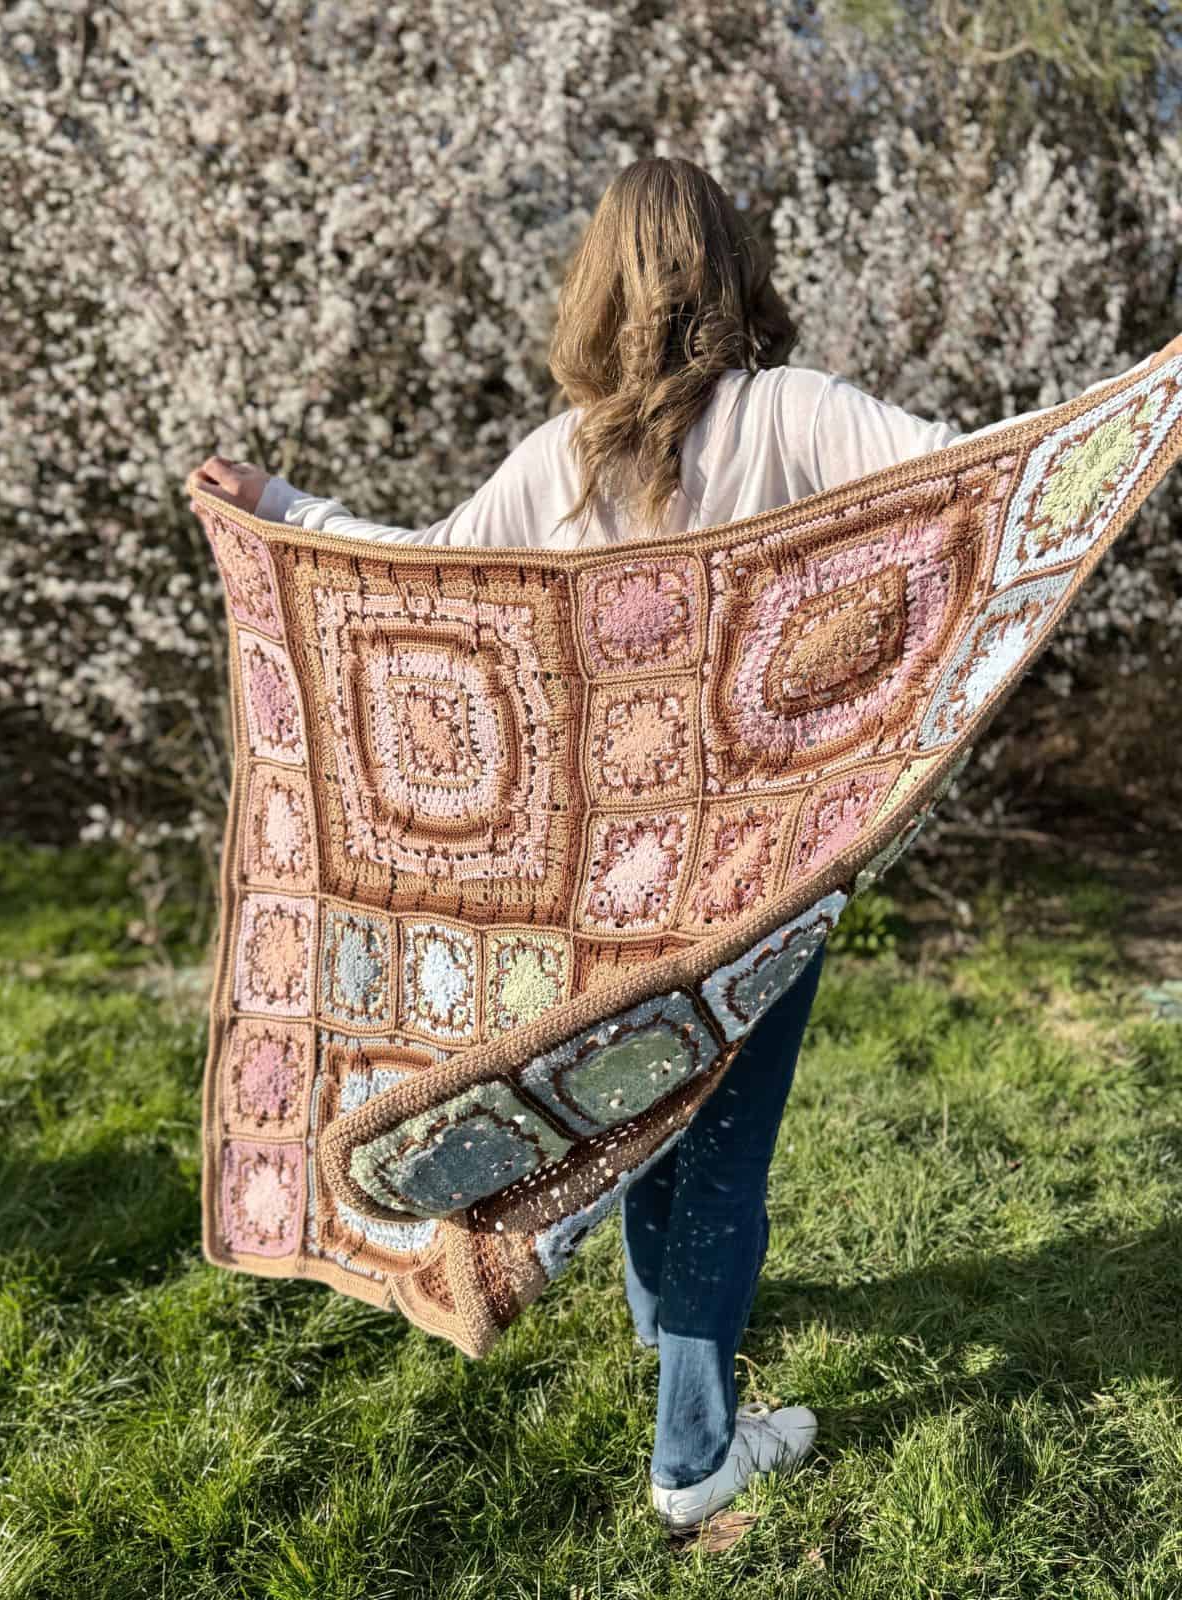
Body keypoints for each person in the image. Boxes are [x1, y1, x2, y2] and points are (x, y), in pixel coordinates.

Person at [194, 156, 1168, 1533]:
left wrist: (293, 514)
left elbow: (421, 577)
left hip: (612, 892)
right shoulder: (794, 414)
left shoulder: (567, 455)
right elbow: (975, 490)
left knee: (645, 1099)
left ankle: (663, 1340)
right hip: (765, 876)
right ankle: (696, 1455)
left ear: (599, 284)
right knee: (721, 1146)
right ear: (731, 274)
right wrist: (1137, 405)